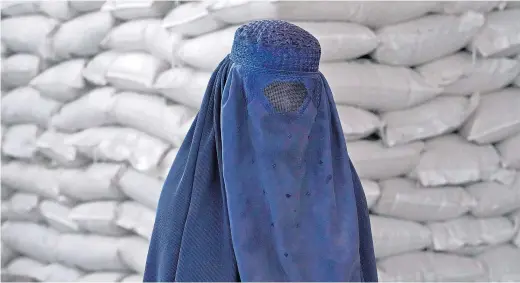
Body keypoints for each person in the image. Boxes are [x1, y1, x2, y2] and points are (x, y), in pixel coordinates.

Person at [143, 19, 377, 282]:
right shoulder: (194, 211)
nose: (286, 111)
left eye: (299, 96)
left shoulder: (341, 194)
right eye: (271, 95)